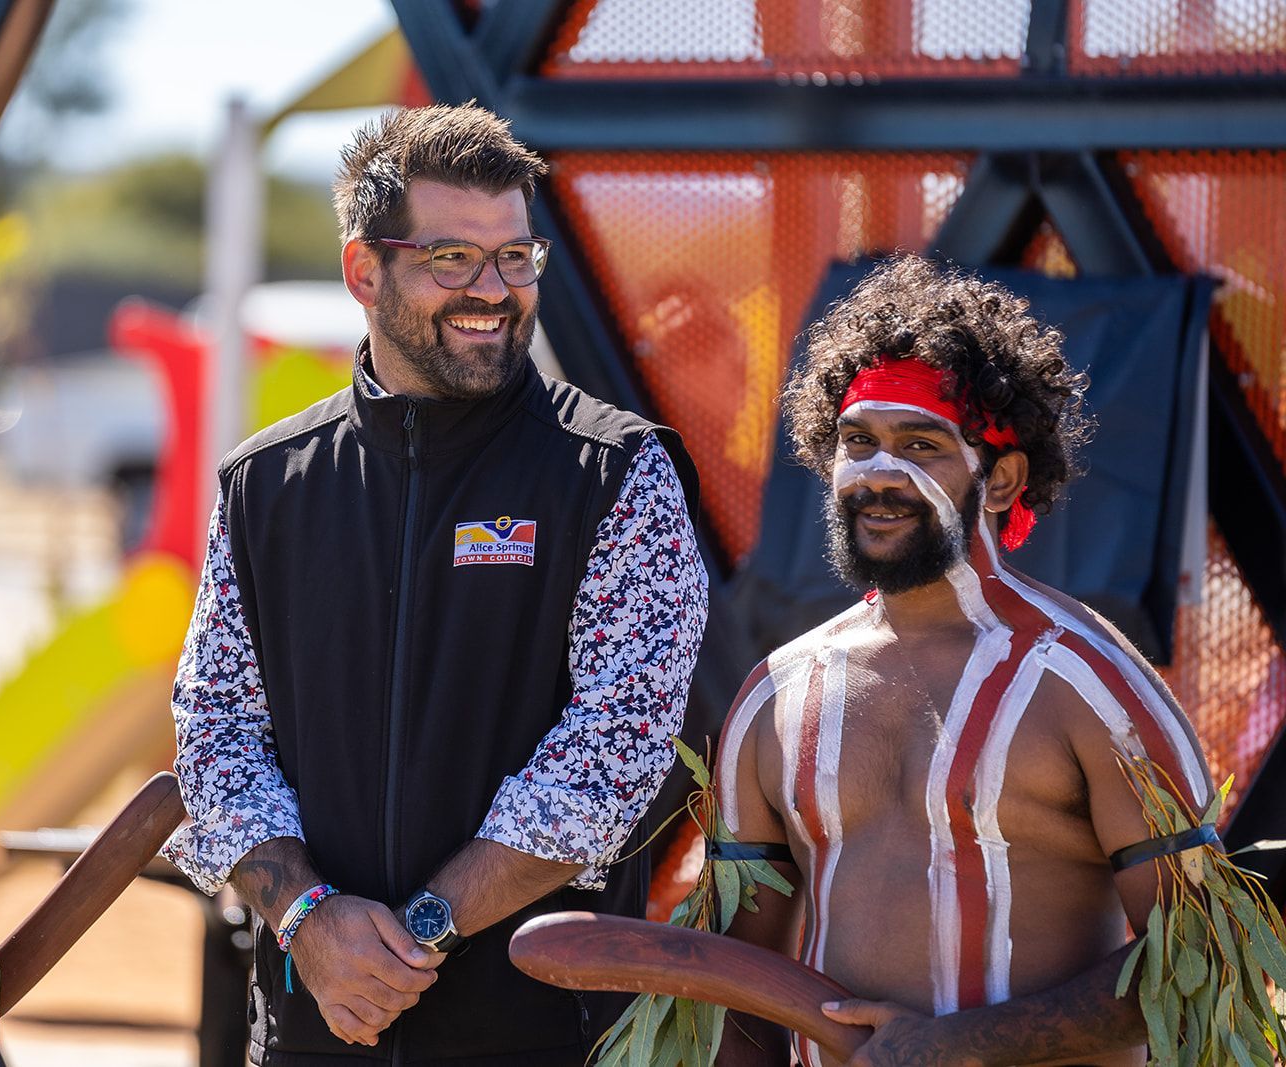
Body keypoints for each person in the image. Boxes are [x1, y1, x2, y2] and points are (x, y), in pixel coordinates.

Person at [163, 103, 710, 1065]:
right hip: (313, 1028)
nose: (493, 291)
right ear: (362, 271)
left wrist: (413, 932)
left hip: (548, 1032)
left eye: (515, 257)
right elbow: (215, 736)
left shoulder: (617, 472)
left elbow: (617, 747)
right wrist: (309, 920)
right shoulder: (266, 485)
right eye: (452, 258)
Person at [715, 255, 1213, 1066]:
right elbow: (739, 984)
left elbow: (1207, 950)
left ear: (1002, 477)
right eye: (857, 441)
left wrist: (962, 1045)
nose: (880, 473)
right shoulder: (775, 695)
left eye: (922, 443)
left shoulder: (1088, 684)